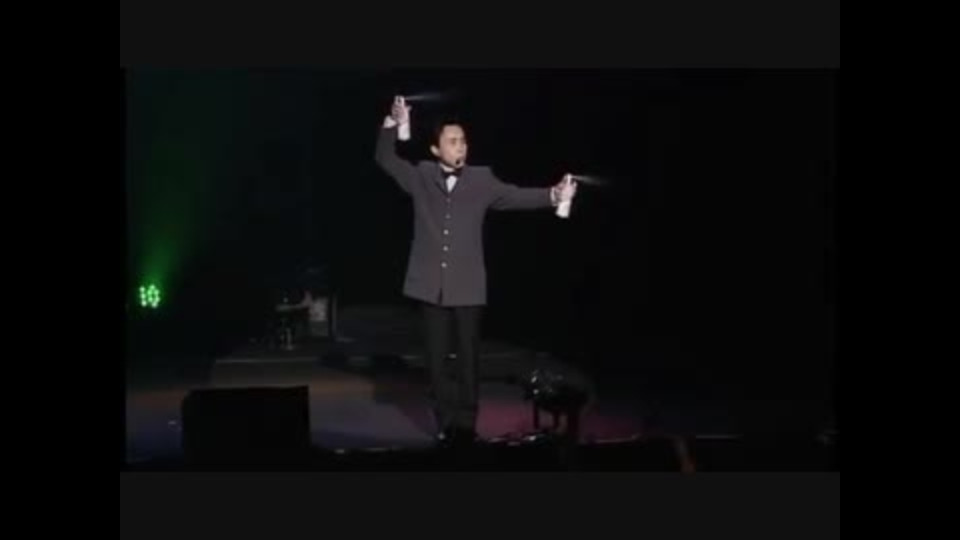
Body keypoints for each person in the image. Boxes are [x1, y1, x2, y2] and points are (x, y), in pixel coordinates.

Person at [374, 96, 577, 444]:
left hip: (468, 286)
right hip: (430, 286)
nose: (461, 146)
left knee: (468, 361)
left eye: (463, 141)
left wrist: (553, 195)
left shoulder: (481, 180)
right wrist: (392, 123)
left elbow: (516, 196)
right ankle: (446, 424)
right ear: (436, 149)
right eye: (453, 141)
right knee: (436, 362)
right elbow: (385, 158)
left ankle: (466, 426)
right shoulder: (422, 175)